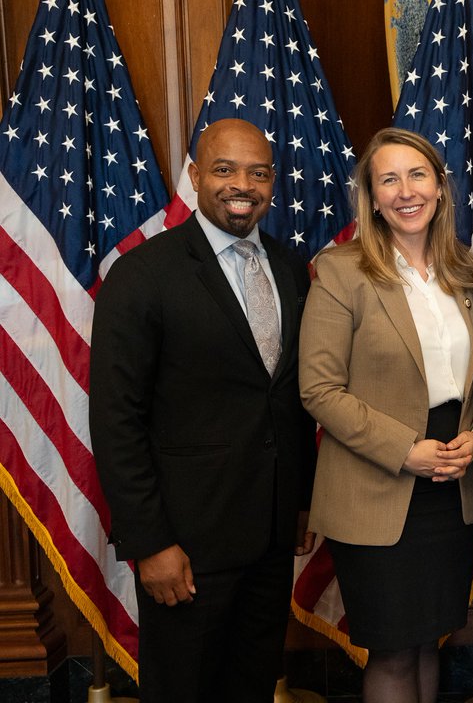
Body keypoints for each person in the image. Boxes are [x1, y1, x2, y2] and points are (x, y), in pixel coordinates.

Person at [90, 118, 316, 702]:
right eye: (224, 169)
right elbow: (117, 420)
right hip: (185, 546)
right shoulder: (143, 274)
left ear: (272, 181)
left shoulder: (292, 269)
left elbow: (288, 401)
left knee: (251, 686)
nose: (242, 184)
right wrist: (150, 543)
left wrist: (297, 503)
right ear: (194, 176)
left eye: (258, 172)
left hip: (269, 538)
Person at [299, 128, 473, 703]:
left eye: (418, 175)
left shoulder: (466, 272)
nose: (406, 191)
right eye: (389, 179)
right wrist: (407, 450)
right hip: (377, 485)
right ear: (372, 197)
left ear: (440, 186)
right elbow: (318, 389)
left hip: (453, 484)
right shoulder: (341, 271)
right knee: (393, 650)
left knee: (429, 641)